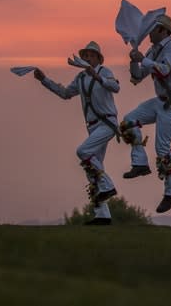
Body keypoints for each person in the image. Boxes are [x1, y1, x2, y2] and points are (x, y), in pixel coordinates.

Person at [34, 41, 119, 225]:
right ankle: (102, 215)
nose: (87, 58)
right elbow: (65, 93)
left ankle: (108, 185)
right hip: (93, 126)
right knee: (92, 169)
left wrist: (96, 76)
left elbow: (115, 87)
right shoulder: (80, 78)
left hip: (107, 123)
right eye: (85, 55)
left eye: (90, 55)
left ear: (98, 58)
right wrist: (44, 80)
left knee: (83, 152)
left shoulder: (105, 72)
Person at [119, 14, 171, 213]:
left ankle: (170, 192)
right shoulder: (153, 49)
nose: (148, 32)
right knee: (128, 121)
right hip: (160, 102)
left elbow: (165, 70)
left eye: (152, 28)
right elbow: (137, 76)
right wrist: (134, 59)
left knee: (162, 148)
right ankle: (140, 163)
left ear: (163, 31)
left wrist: (144, 60)